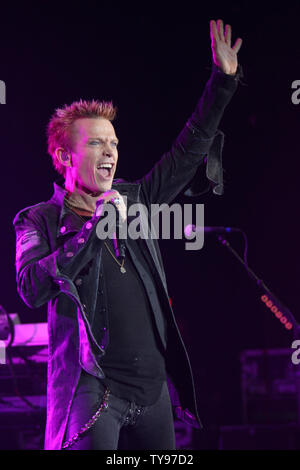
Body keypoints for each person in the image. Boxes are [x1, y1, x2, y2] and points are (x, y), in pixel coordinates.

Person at [13, 19, 242, 450]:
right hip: (93, 392)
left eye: (114, 143)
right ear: (64, 155)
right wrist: (95, 230)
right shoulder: (37, 220)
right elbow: (32, 288)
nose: (112, 152)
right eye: (98, 143)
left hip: (153, 392)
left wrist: (223, 82)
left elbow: (188, 151)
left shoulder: (135, 200)